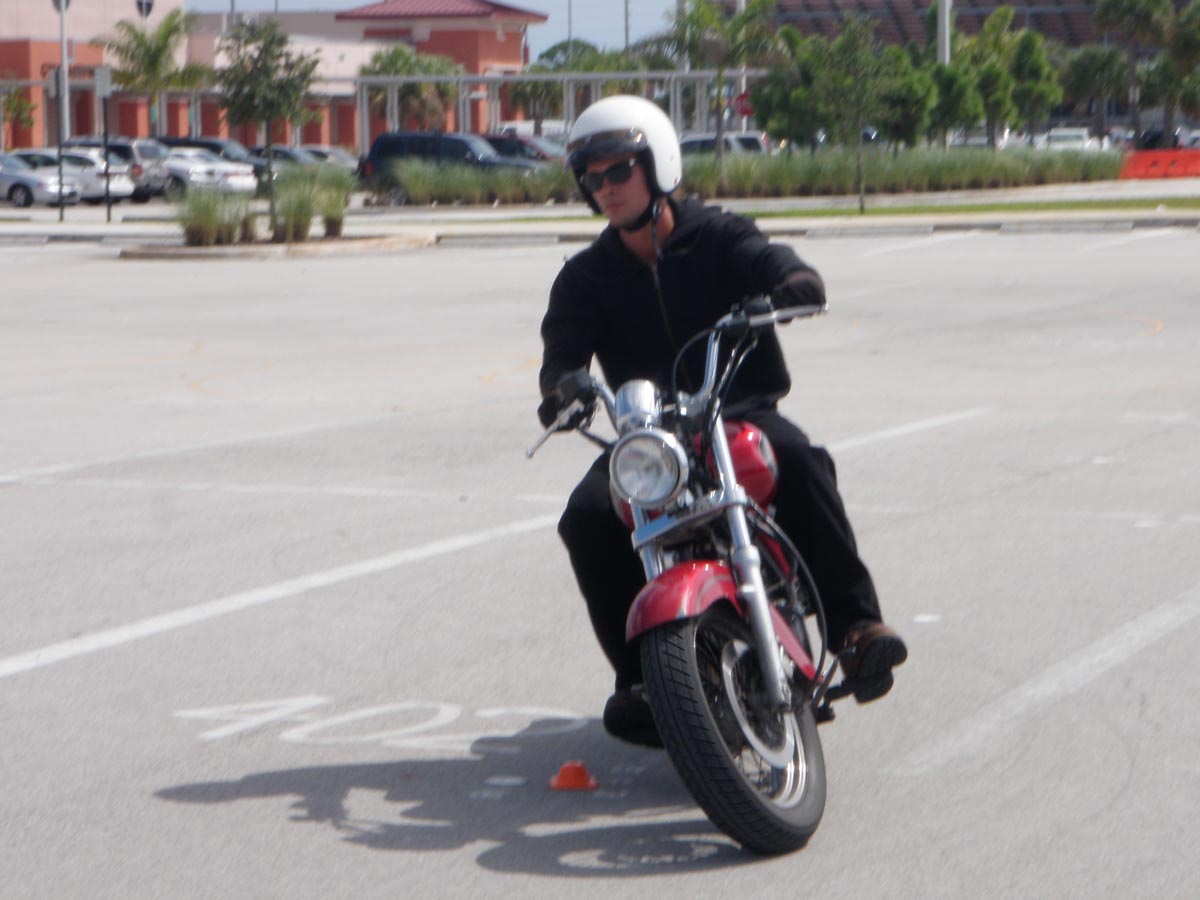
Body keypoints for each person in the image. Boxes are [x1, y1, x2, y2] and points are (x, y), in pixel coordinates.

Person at [537, 95, 907, 746]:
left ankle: (854, 628)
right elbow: (561, 355)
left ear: (658, 165)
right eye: (592, 179)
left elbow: (772, 261)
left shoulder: (718, 236)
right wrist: (562, 388)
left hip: (736, 409)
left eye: (618, 171)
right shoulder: (585, 277)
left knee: (799, 460)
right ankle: (641, 680)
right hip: (652, 437)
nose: (606, 188)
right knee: (588, 515)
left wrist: (792, 281)